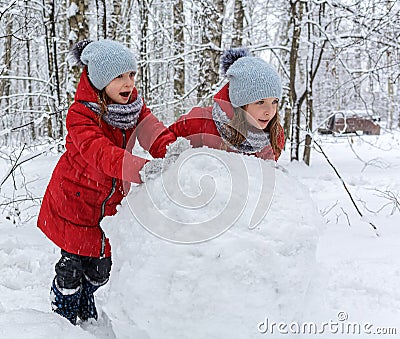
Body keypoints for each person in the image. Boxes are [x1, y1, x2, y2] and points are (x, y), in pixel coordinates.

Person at [37, 39, 183, 325]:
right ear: (101, 80)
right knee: (72, 267)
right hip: (74, 201)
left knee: (101, 267)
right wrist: (141, 169)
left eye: (132, 74)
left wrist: (175, 153)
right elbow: (100, 153)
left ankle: (85, 298)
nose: (129, 83)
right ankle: (63, 317)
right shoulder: (80, 115)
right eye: (119, 77)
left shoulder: (133, 107)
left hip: (108, 204)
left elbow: (153, 131)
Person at [169, 47, 285, 161]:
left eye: (274, 102)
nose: (269, 112)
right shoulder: (200, 121)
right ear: (240, 103)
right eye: (260, 102)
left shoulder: (275, 135)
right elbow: (164, 147)